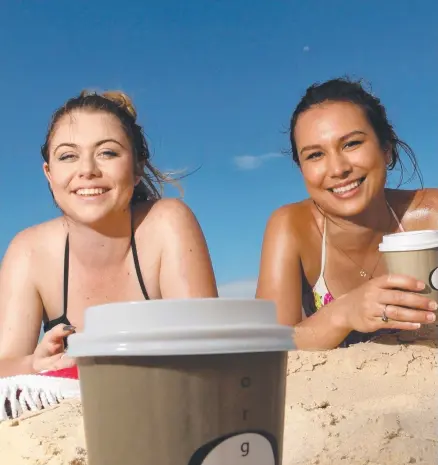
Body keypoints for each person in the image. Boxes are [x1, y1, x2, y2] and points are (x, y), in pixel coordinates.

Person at [0, 90, 218, 376]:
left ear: (137, 167)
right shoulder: (29, 251)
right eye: (68, 156)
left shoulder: (167, 223)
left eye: (107, 153)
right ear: (49, 174)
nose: (87, 170)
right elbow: (5, 364)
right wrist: (35, 364)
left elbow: (207, 349)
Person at [256, 77, 438, 350]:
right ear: (302, 169)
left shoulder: (431, 216)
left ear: (385, 149)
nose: (338, 168)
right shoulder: (292, 229)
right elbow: (266, 345)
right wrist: (345, 312)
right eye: (315, 155)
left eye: (351, 144)